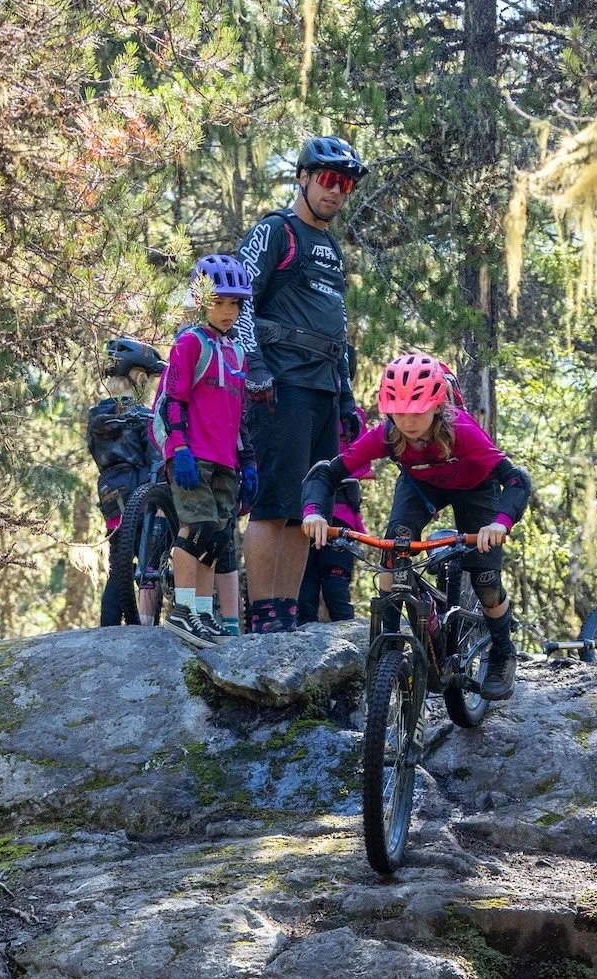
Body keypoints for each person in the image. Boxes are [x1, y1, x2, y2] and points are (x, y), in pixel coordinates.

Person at [301, 352, 532, 700]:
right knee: (395, 548)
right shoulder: (387, 435)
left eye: (417, 410)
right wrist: (314, 512)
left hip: (475, 489)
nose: (408, 421)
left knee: (485, 579)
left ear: (437, 405)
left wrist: (499, 523)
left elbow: (515, 480)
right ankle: (388, 646)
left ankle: (502, 651)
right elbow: (328, 473)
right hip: (421, 486)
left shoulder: (463, 432)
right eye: (399, 410)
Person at [237, 135, 365, 633]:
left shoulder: (331, 249)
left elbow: (340, 328)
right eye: (329, 179)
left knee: (303, 508)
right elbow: (241, 298)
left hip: (324, 391)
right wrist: (253, 366)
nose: (336, 191)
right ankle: (262, 613)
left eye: (346, 185)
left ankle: (286, 613)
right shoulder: (275, 231)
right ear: (304, 178)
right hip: (279, 385)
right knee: (272, 506)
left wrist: (348, 396)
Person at [157, 255, 257, 645]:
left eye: (234, 303)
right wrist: (179, 448)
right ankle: (182, 610)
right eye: (219, 301)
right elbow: (173, 399)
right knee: (195, 527)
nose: (228, 311)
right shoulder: (189, 342)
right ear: (200, 301)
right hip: (192, 455)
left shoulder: (238, 354)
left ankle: (201, 612)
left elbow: (239, 416)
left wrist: (247, 463)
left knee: (215, 536)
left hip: (224, 460)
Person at [88, 337, 166, 629]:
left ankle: (107, 629)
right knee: (150, 565)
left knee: (117, 571)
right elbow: (156, 456)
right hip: (142, 499)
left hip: (111, 499)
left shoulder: (98, 417)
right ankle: (146, 626)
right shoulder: (143, 417)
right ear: (139, 377)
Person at [298, 470, 367, 621]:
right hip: (339, 517)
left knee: (308, 576)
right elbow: (362, 467)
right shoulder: (348, 447)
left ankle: (305, 624)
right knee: (333, 576)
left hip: (305, 516)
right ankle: (345, 624)